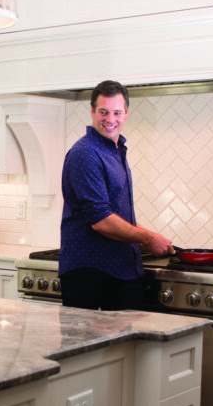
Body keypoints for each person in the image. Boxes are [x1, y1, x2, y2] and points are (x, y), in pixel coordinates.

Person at [59, 80, 173, 310]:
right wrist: (147, 238)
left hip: (120, 269)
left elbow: (115, 212)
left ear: (127, 113)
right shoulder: (86, 154)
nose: (110, 119)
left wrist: (140, 234)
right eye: (103, 112)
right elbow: (101, 220)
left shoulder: (115, 149)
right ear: (92, 112)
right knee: (87, 346)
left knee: (124, 345)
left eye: (117, 112)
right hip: (90, 272)